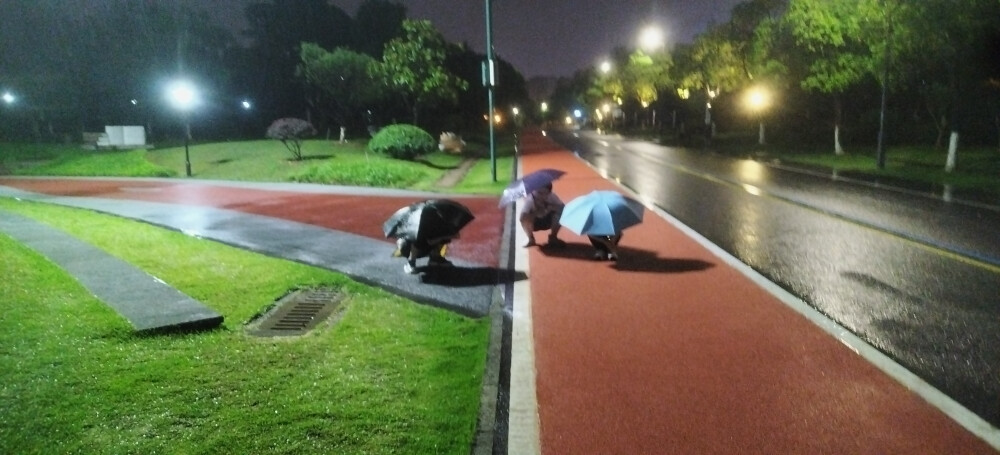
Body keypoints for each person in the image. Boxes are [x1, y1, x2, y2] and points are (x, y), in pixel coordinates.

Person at [519, 183, 566, 248]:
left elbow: (563, 209)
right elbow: (522, 217)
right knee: (525, 219)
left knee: (561, 214)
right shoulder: (530, 200)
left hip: (548, 221)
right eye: (538, 192)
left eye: (544, 193)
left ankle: (553, 237)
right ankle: (530, 238)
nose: (540, 196)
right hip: (534, 223)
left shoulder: (552, 197)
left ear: (549, 193)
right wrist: (535, 213)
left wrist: (550, 207)